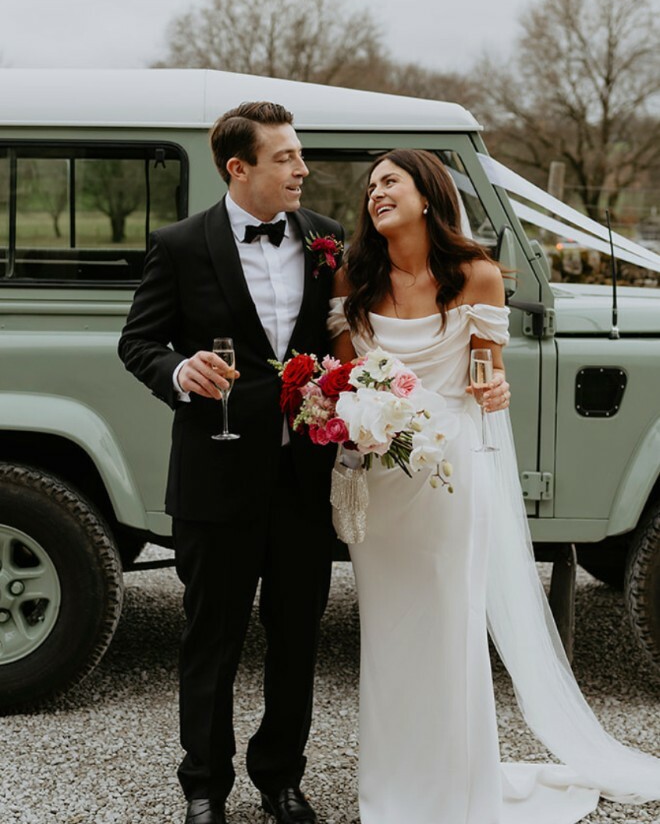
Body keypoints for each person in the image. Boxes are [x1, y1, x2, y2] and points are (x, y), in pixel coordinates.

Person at [328, 149, 660, 824]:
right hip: (381, 475)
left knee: (450, 624)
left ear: (428, 194)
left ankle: (457, 788)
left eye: (391, 181)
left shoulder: (476, 275)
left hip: (450, 473)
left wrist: (496, 389)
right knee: (387, 631)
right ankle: (393, 787)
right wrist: (351, 416)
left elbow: (487, 373)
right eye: (372, 186)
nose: (376, 193)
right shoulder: (354, 277)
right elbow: (345, 380)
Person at [118, 102, 344, 824]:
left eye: (299, 154)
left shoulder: (328, 241)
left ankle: (281, 778)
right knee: (210, 638)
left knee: (297, 636)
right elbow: (137, 342)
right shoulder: (180, 244)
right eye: (285, 157)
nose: (302, 168)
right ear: (238, 167)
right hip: (214, 479)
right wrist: (179, 371)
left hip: (303, 481)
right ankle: (204, 787)